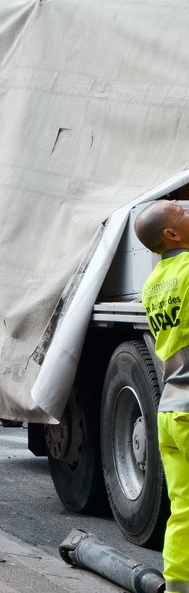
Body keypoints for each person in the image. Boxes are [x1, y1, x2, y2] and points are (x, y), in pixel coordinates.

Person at [133, 199, 189, 590]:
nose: (188, 208)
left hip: (171, 409)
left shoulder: (153, 283)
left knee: (182, 510)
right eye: (181, 211)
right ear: (171, 233)